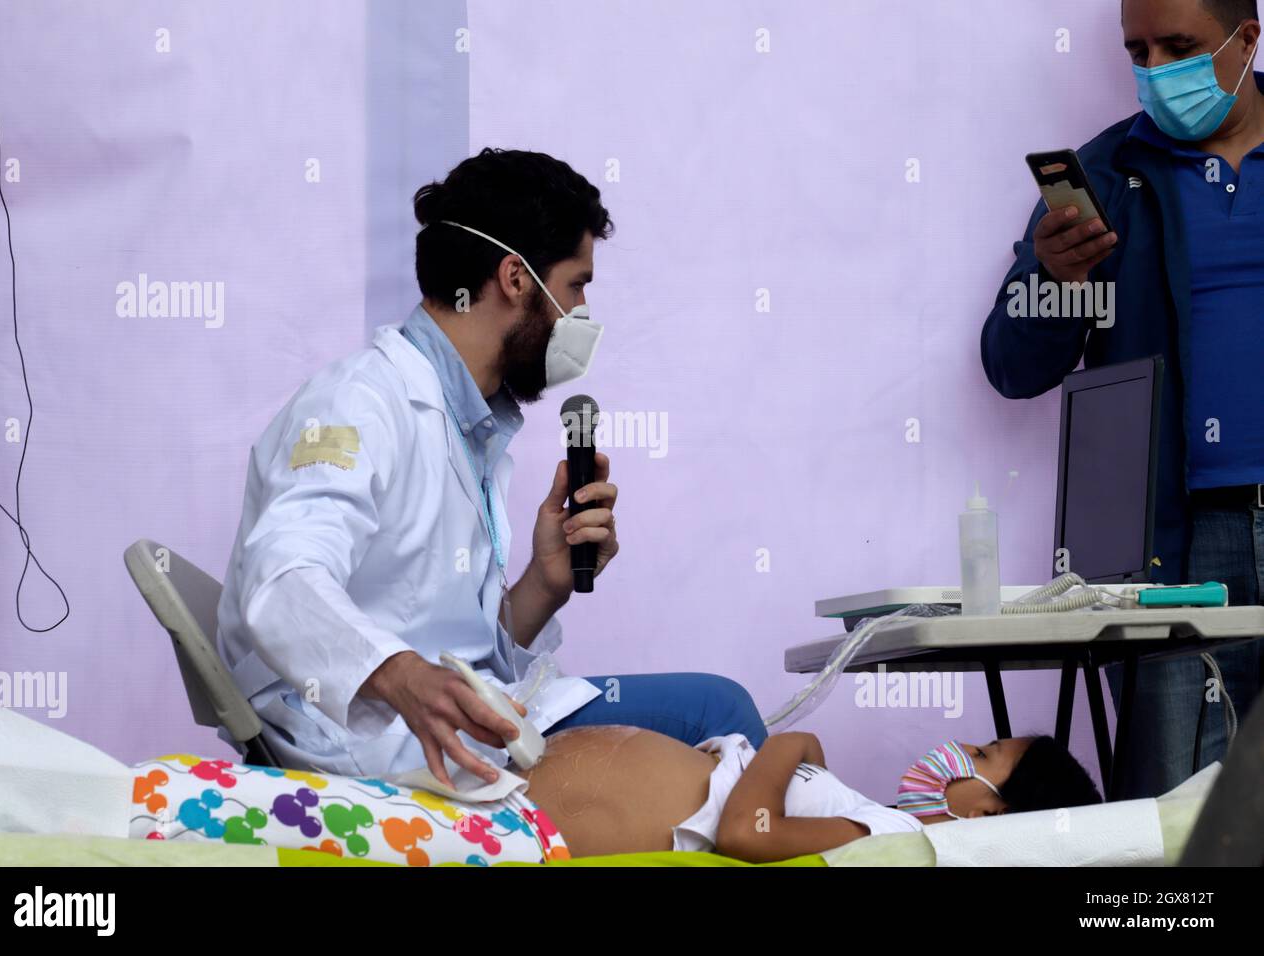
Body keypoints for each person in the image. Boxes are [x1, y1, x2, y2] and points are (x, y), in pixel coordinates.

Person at [215, 148, 767, 788]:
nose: (583, 313)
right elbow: (280, 580)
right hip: (368, 740)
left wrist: (545, 582)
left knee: (715, 715)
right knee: (715, 712)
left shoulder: (464, 421)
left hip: (464, 717)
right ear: (515, 278)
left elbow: (454, 644)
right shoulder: (358, 403)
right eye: (577, 285)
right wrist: (400, 675)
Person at [981, 0, 1264, 798]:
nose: (1158, 70)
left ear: (1248, 39)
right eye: (1138, 50)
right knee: (1174, 815)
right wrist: (1053, 281)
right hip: (1168, 550)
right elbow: (1010, 365)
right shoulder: (1104, 178)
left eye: (1181, 46)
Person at [508, 727, 1102, 860]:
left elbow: (749, 833)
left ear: (984, 816)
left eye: (979, 756)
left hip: (539, 818)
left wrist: (789, 747)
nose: (957, 750)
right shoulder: (886, 827)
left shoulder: (900, 843)